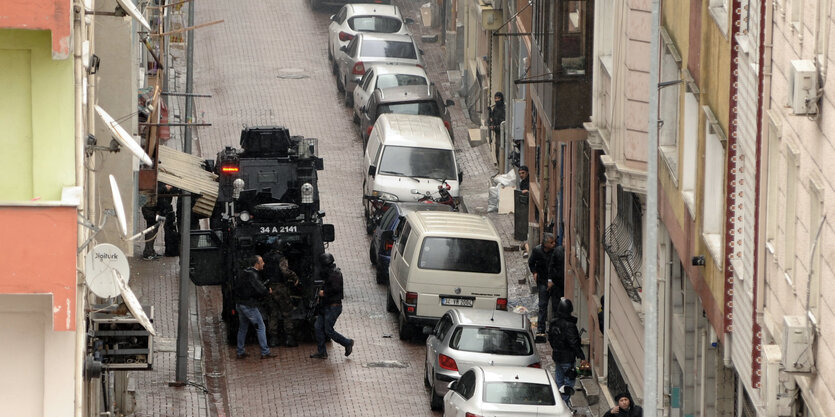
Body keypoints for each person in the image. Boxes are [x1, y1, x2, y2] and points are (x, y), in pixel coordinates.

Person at [310, 252, 355, 359]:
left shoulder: (335, 274)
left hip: (333, 307)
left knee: (328, 330)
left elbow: (335, 289)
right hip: (325, 305)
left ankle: (347, 343)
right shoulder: (328, 273)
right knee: (318, 327)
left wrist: (324, 293)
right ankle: (322, 352)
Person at [233, 255, 276, 359]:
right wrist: (267, 291)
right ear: (256, 264)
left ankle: (240, 351)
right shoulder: (254, 275)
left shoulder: (244, 272)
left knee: (242, 328)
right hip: (249, 306)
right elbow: (261, 290)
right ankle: (265, 352)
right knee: (261, 327)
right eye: (261, 262)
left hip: (240, 304)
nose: (263, 263)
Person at [263, 240, 301, 347]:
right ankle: (289, 338)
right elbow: (284, 270)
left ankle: (273, 339)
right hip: (280, 287)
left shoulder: (265, 257)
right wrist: (294, 276)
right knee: (286, 312)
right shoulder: (281, 258)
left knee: (272, 313)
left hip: (269, 287)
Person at [548, 298, 585, 403]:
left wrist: (556, 348)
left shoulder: (553, 322)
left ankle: (560, 401)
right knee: (569, 382)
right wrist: (581, 356)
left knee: (559, 380)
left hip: (557, 355)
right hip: (567, 357)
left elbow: (550, 339)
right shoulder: (570, 326)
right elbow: (573, 343)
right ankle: (564, 403)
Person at [528, 233, 557, 334]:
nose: (554, 244)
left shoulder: (555, 251)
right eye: (551, 242)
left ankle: (554, 328)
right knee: (542, 305)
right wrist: (534, 272)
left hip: (554, 282)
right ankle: (541, 329)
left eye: (554, 242)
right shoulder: (537, 251)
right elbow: (531, 262)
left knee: (555, 306)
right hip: (542, 281)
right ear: (545, 244)